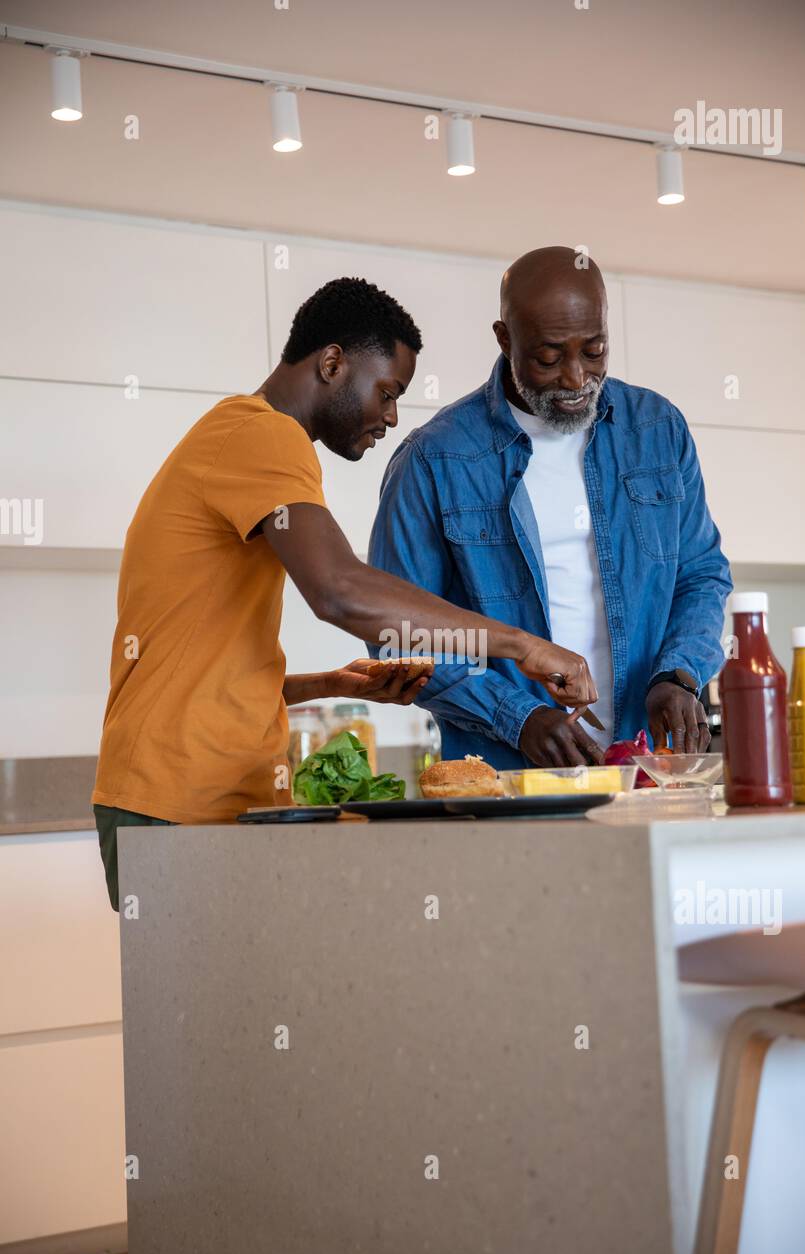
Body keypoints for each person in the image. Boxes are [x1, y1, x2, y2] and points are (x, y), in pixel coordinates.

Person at [92, 277, 596, 909]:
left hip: (191, 794)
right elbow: (339, 590)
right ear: (331, 363)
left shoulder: (236, 442)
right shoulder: (260, 434)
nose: (390, 416)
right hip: (178, 798)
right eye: (387, 392)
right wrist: (521, 646)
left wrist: (334, 685)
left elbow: (199, 666)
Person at [368, 247, 732, 769]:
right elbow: (398, 633)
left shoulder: (657, 430)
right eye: (548, 357)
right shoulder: (435, 459)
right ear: (504, 339)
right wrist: (516, 717)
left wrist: (677, 674)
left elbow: (702, 574)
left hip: (651, 767)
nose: (576, 378)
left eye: (595, 350)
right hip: (505, 775)